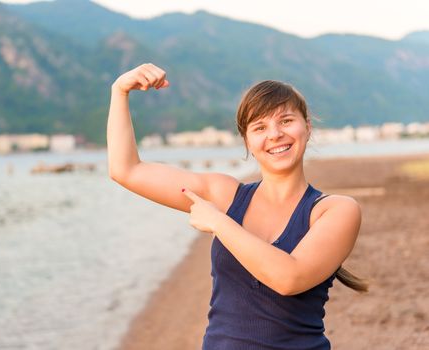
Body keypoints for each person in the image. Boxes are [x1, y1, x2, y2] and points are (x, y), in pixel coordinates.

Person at [107, 63, 368, 349]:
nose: (275, 134)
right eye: (260, 127)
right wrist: (119, 92)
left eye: (286, 121)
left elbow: (289, 278)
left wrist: (220, 222)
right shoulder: (225, 194)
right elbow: (127, 170)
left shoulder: (334, 210)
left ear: (307, 127)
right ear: (247, 141)